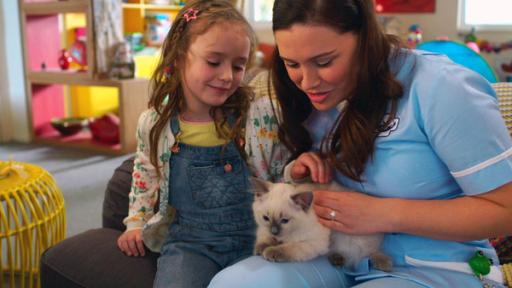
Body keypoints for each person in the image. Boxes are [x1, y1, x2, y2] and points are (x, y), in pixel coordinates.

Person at [209, 0, 512, 287]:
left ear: (365, 40)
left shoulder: (444, 88)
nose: (307, 81)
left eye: (324, 61)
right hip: (331, 254)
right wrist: (300, 173)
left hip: (434, 267)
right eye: (292, 64)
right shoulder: (311, 94)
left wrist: (383, 213)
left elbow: (505, 210)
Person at [116, 1, 267, 287]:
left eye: (238, 66)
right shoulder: (154, 122)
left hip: (256, 237)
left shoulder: (254, 115)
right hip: (190, 243)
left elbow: (276, 165)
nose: (227, 76)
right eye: (213, 62)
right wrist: (135, 222)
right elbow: (144, 175)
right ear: (179, 57)